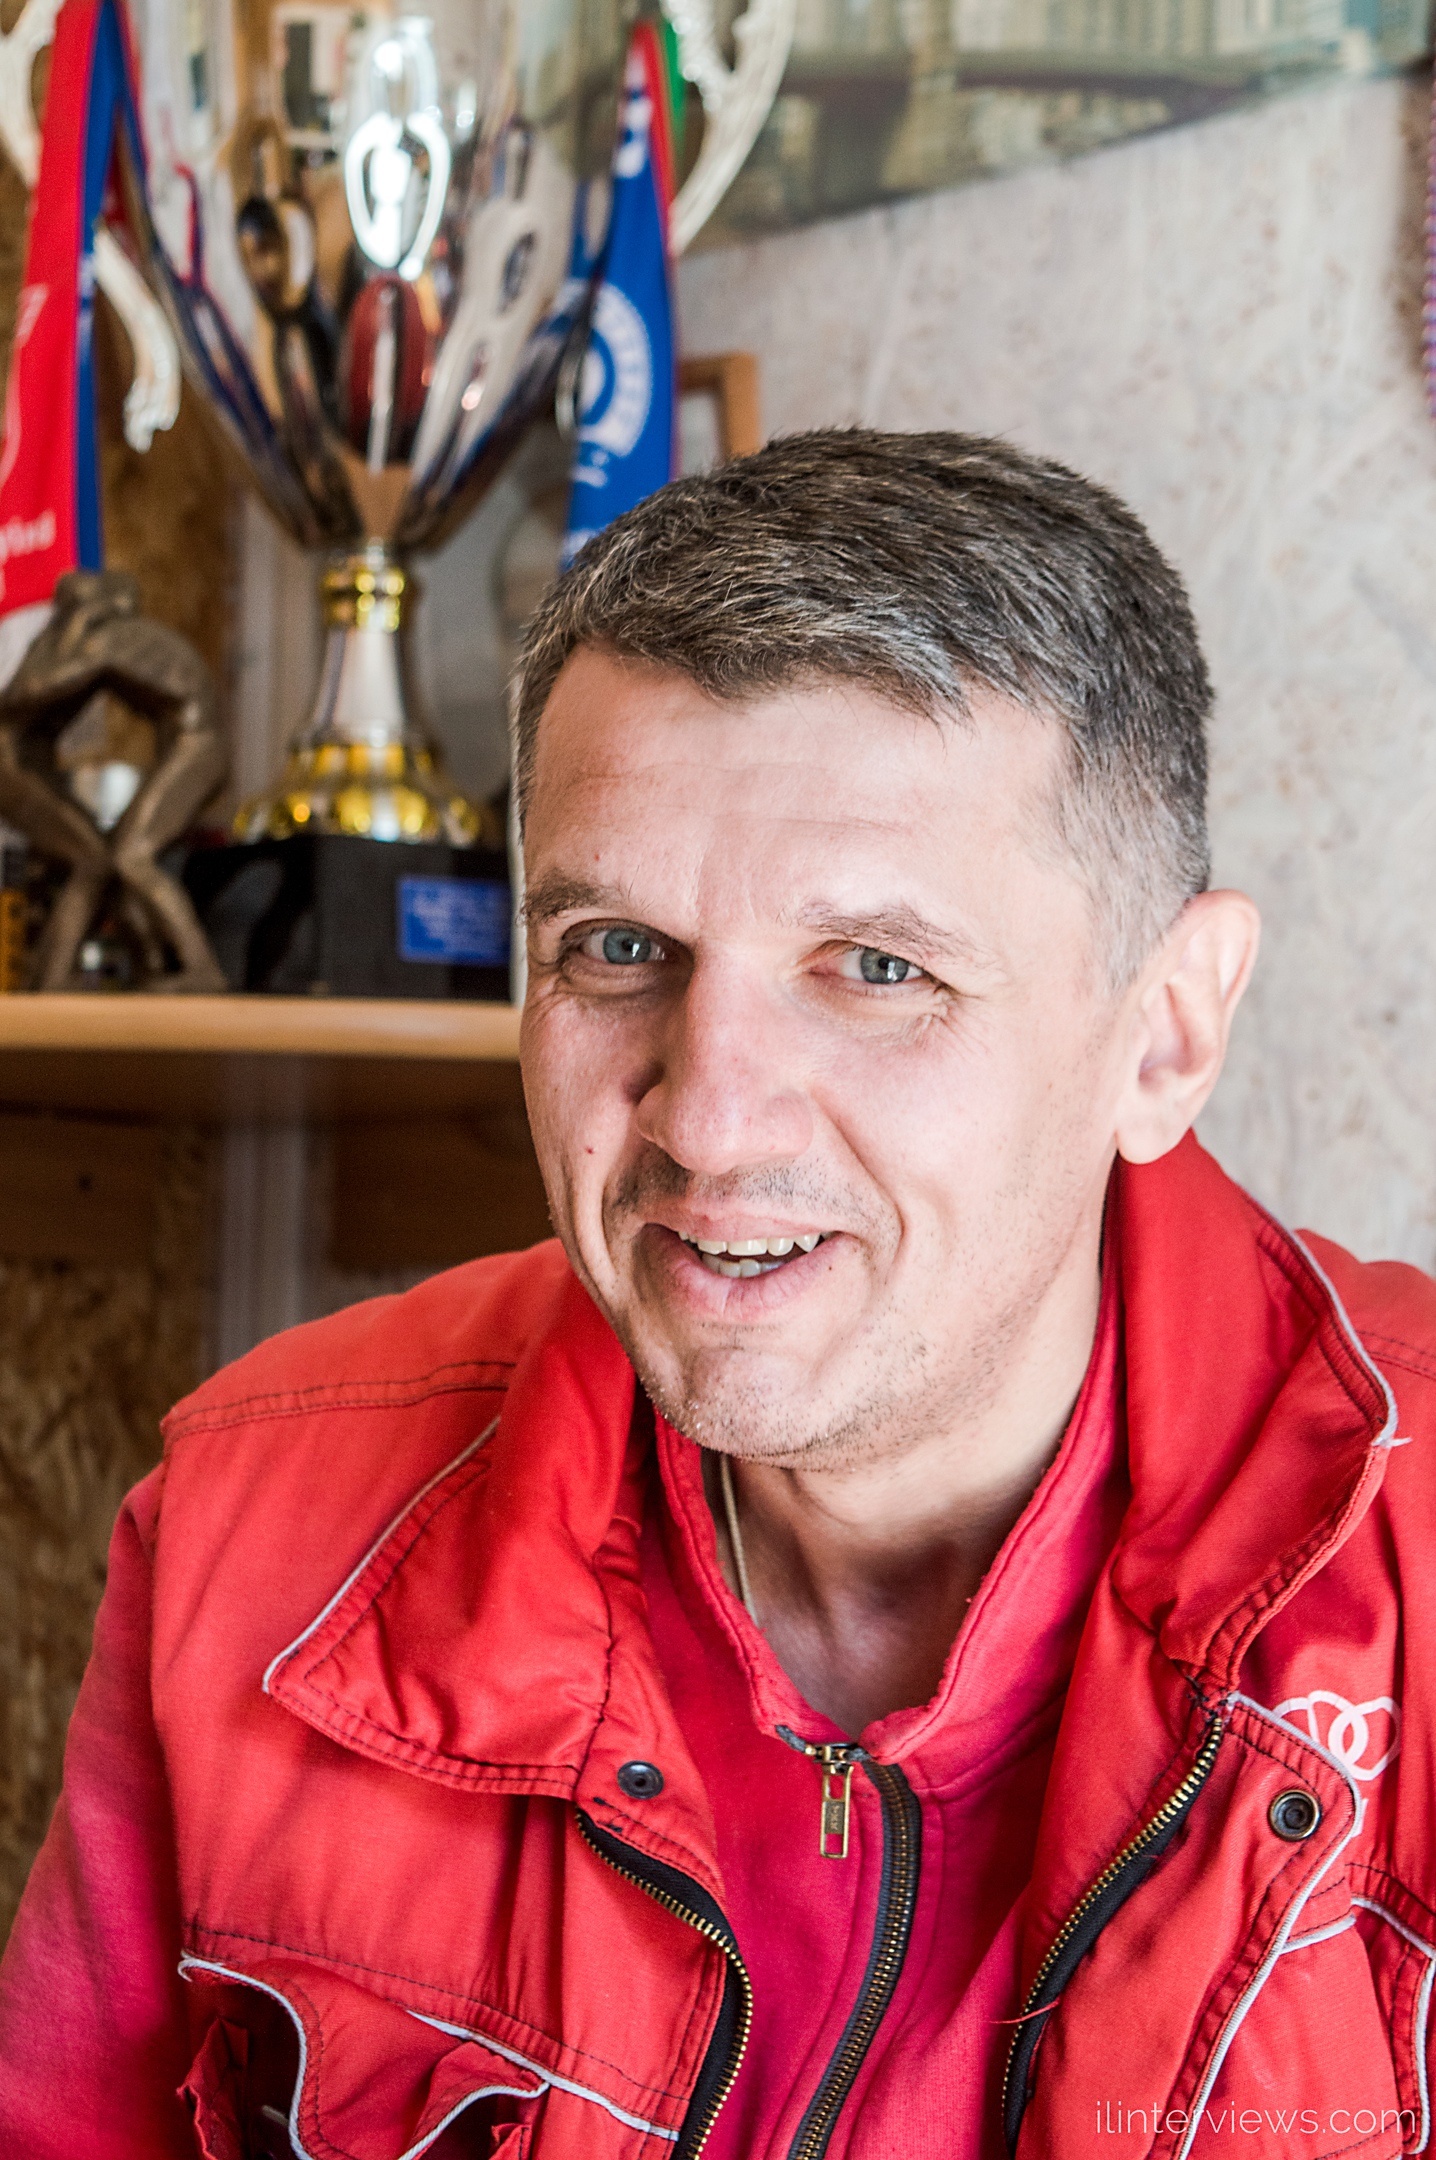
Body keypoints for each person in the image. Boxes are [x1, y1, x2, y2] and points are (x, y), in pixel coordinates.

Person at [1, 430, 1431, 2160]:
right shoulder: (257, 1533)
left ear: (1168, 1035)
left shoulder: (1415, 1574)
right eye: (616, 950)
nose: (707, 1117)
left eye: (877, 969)